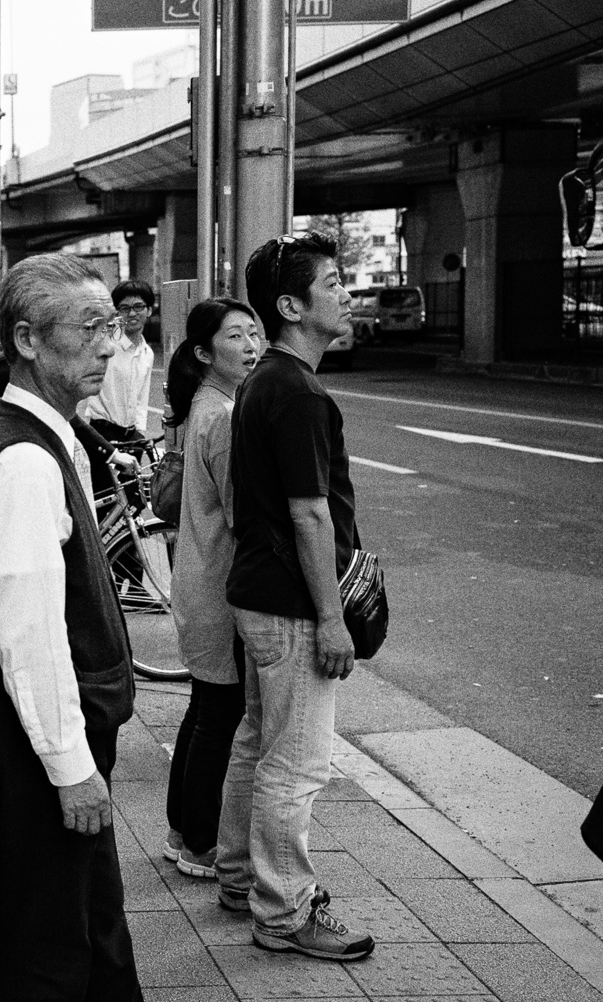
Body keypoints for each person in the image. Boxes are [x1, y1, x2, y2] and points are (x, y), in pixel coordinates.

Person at [0, 252, 142, 1001]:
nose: (110, 343)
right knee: (51, 951)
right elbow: (27, 632)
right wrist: (70, 765)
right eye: (90, 327)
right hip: (39, 741)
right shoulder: (24, 461)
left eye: (113, 325)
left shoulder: (54, 434)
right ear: (28, 339)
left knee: (87, 926)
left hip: (47, 732)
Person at [216, 232, 375, 961]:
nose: (347, 292)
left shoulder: (264, 381)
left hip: (259, 593)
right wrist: (332, 618)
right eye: (335, 281)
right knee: (297, 761)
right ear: (291, 305)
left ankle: (240, 877)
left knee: (257, 741)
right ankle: (283, 913)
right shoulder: (297, 391)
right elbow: (310, 512)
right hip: (290, 604)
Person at [160, 298, 260, 880]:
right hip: (219, 588)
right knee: (220, 717)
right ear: (204, 353)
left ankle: (182, 832)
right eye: (236, 337)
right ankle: (200, 841)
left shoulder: (200, 405)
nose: (251, 347)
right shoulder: (222, 416)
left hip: (197, 579)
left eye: (255, 334)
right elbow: (240, 513)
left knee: (205, 711)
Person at [77, 278, 155, 446]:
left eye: (139, 307)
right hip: (102, 432)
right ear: (117, 313)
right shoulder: (106, 345)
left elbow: (142, 399)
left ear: (149, 311)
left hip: (132, 436)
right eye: (125, 308)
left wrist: (140, 433)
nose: (132, 313)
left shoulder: (147, 353)